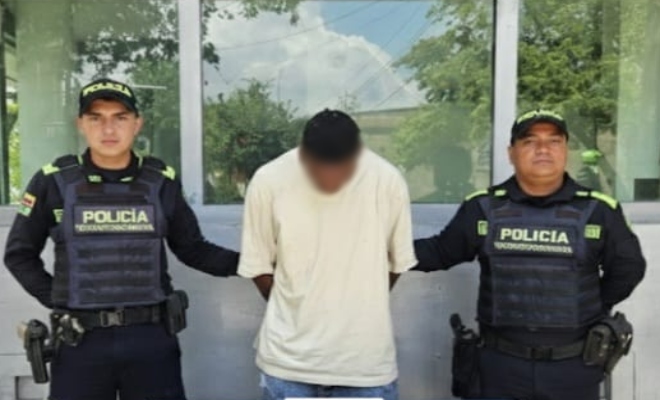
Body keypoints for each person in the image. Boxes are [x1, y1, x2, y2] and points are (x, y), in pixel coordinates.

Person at [4, 78, 240, 400]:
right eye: (96, 118)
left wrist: (253, 264)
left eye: (120, 117)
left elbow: (192, 249)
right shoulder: (53, 182)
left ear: (137, 124)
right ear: (80, 124)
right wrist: (60, 299)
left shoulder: (161, 181)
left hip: (150, 341)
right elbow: (19, 254)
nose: (108, 129)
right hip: (80, 342)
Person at [414, 109, 646, 400]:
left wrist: (591, 305)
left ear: (566, 150)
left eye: (554, 141)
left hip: (573, 367)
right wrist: (374, 249)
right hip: (499, 368)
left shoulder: (599, 210)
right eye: (530, 141)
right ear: (511, 153)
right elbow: (439, 252)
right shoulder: (484, 208)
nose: (543, 149)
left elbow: (629, 268)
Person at [238, 109, 417, 400]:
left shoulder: (387, 180)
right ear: (304, 156)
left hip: (364, 367)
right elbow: (257, 265)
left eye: (342, 168)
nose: (330, 177)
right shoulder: (269, 180)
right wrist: (297, 307)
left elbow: (397, 262)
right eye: (319, 167)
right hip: (289, 366)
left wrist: (361, 304)